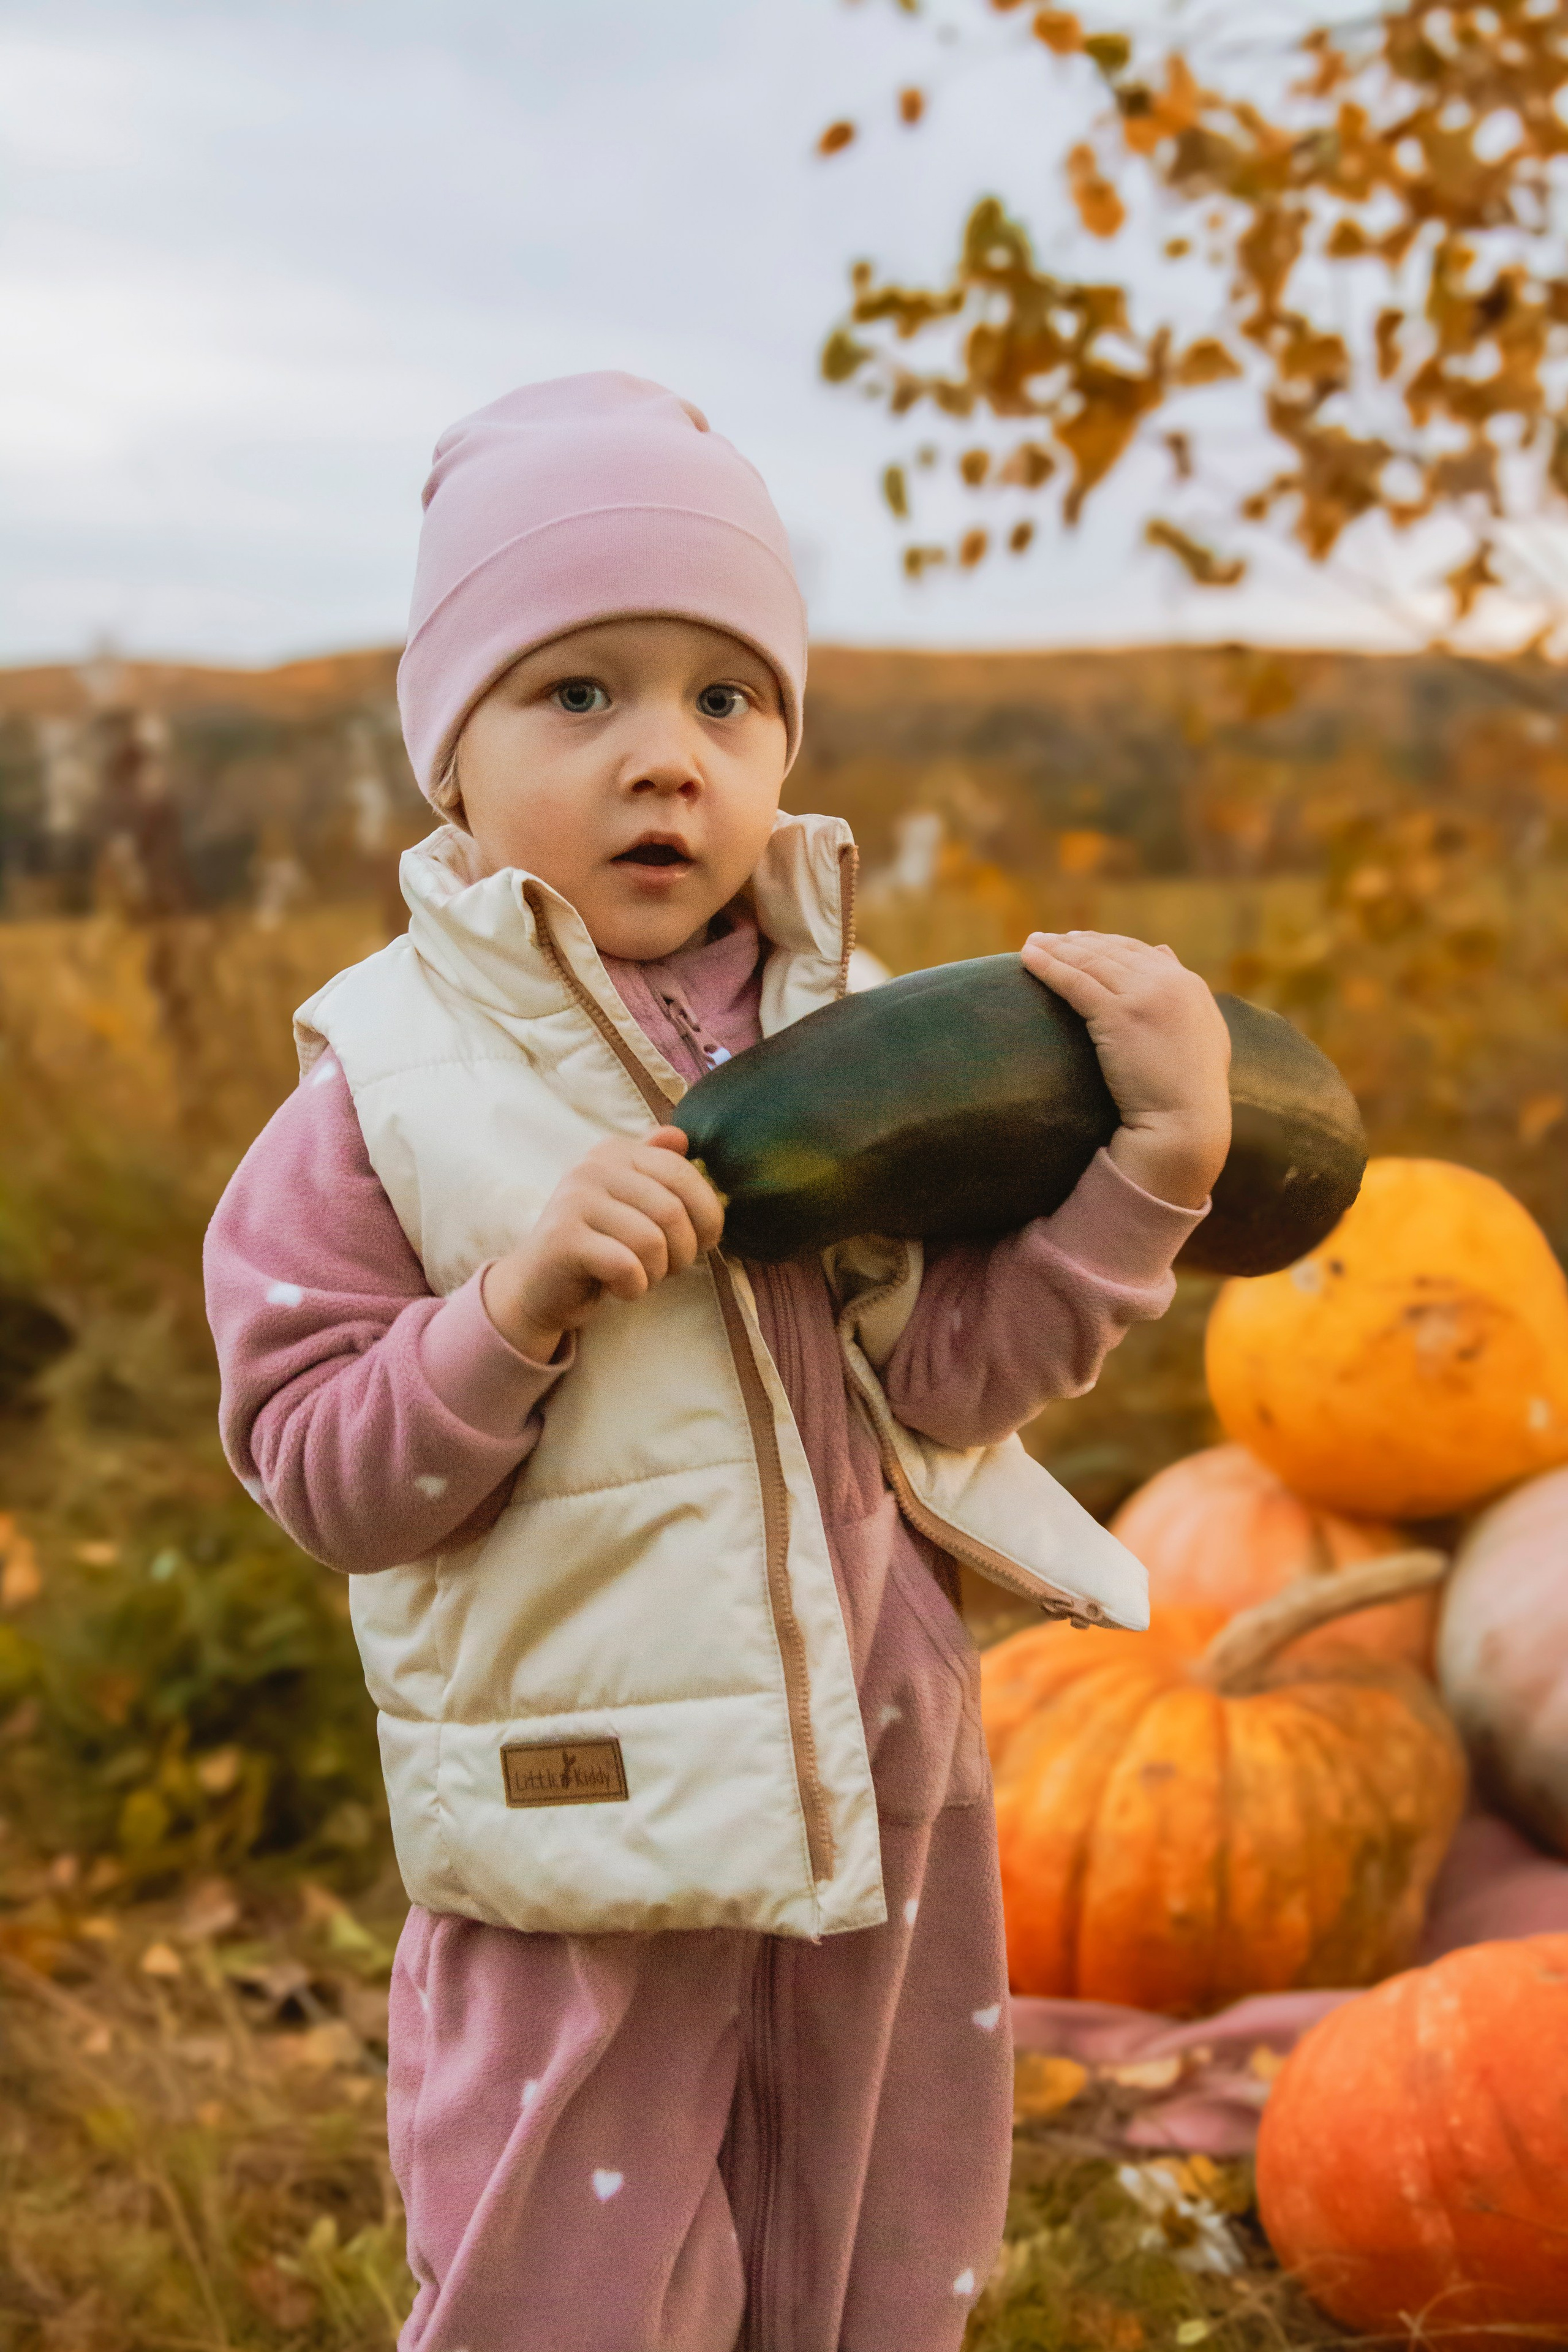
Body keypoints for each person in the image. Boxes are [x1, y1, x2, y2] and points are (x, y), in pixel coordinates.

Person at [205, 373, 1232, 2352]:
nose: (665, 758)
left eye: (724, 700)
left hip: (881, 1786)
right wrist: (509, 1314)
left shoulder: (864, 1044)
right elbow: (324, 1469)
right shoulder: (385, 1094)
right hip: (587, 1814)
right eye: (579, 693)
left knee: (865, 2266)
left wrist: (1148, 1182)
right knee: (570, 2296)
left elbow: (942, 1380)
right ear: (453, 762)